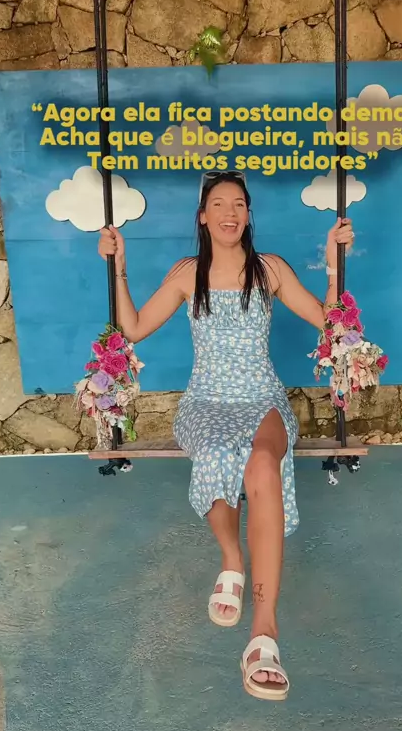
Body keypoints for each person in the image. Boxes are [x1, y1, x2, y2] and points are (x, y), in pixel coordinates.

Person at [98, 170, 354, 702]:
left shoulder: (270, 270)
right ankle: (232, 560)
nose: (230, 213)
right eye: (219, 204)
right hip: (206, 401)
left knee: (262, 463)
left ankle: (264, 631)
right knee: (215, 451)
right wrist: (118, 268)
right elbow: (134, 328)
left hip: (262, 398)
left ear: (247, 214)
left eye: (238, 204)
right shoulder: (188, 273)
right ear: (203, 216)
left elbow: (328, 323)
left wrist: (334, 264)